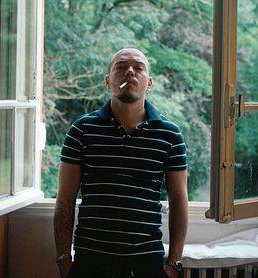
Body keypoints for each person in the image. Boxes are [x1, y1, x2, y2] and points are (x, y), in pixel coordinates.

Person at [54, 48, 188, 278]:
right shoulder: (82, 130)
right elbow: (65, 200)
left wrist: (174, 263)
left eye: (138, 68)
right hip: (90, 260)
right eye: (121, 67)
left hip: (147, 261)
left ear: (149, 83)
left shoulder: (170, 135)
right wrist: (64, 260)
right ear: (108, 81)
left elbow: (179, 200)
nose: (129, 72)